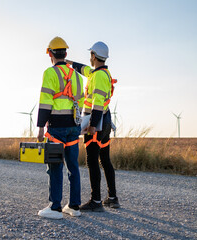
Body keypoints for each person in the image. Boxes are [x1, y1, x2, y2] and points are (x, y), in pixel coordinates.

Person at [66, 41, 120, 212]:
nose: (89, 58)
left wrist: (92, 126)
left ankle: (96, 201)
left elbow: (97, 103)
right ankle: (112, 198)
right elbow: (84, 70)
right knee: (105, 160)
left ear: (94, 56)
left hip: (96, 122)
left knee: (92, 161)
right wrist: (70, 64)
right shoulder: (99, 73)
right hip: (105, 120)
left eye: (90, 54)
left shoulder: (98, 77)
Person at [36, 36, 85, 219]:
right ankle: (74, 206)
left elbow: (46, 101)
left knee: (55, 167)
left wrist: (41, 126)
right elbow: (80, 102)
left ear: (50, 54)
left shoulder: (50, 73)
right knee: (73, 166)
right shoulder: (76, 75)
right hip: (73, 127)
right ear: (66, 53)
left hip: (56, 128)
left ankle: (55, 207)